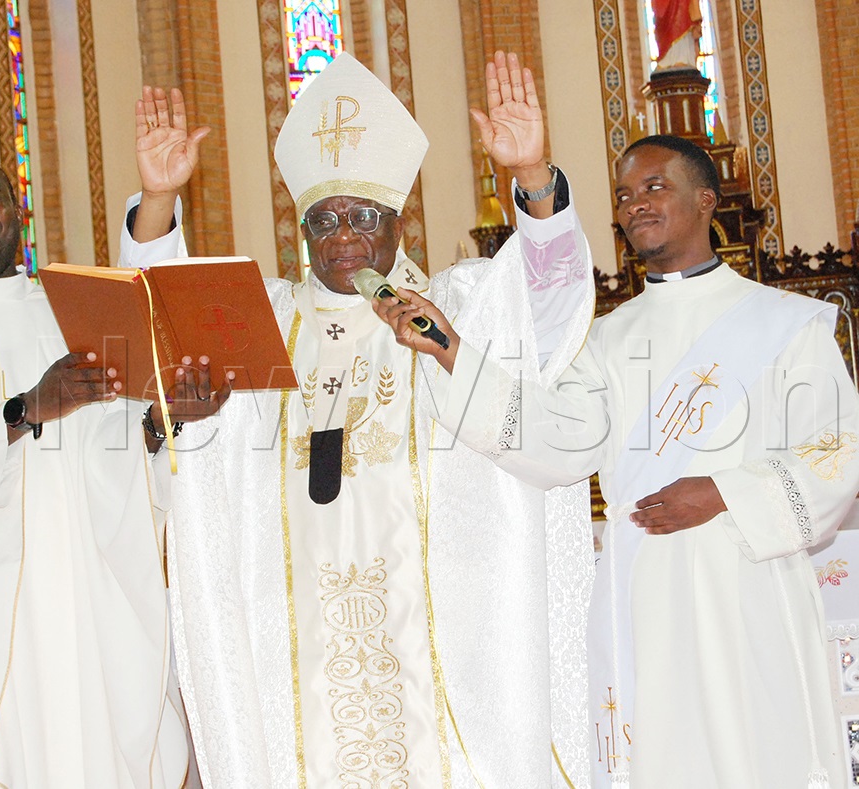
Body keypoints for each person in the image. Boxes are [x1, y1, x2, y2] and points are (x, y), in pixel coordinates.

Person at [121, 52, 596, 787]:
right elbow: (165, 324)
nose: (343, 233)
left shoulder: (451, 306)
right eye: (325, 218)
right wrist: (157, 202)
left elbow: (550, 312)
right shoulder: (263, 322)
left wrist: (531, 178)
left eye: (364, 216)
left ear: (399, 222)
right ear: (302, 230)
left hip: (439, 645)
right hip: (297, 650)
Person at [379, 134, 859, 788]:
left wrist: (722, 493)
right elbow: (561, 437)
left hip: (748, 578)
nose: (636, 205)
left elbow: (837, 450)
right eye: (626, 195)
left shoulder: (788, 324)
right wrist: (452, 350)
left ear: (707, 200)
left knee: (756, 750)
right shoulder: (607, 338)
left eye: (655, 187)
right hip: (644, 589)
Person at [0, 152, 222, 788]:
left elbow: (121, 452)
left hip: (82, 609)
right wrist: (32, 406)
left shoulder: (72, 316)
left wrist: (168, 419)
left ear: (17, 211)